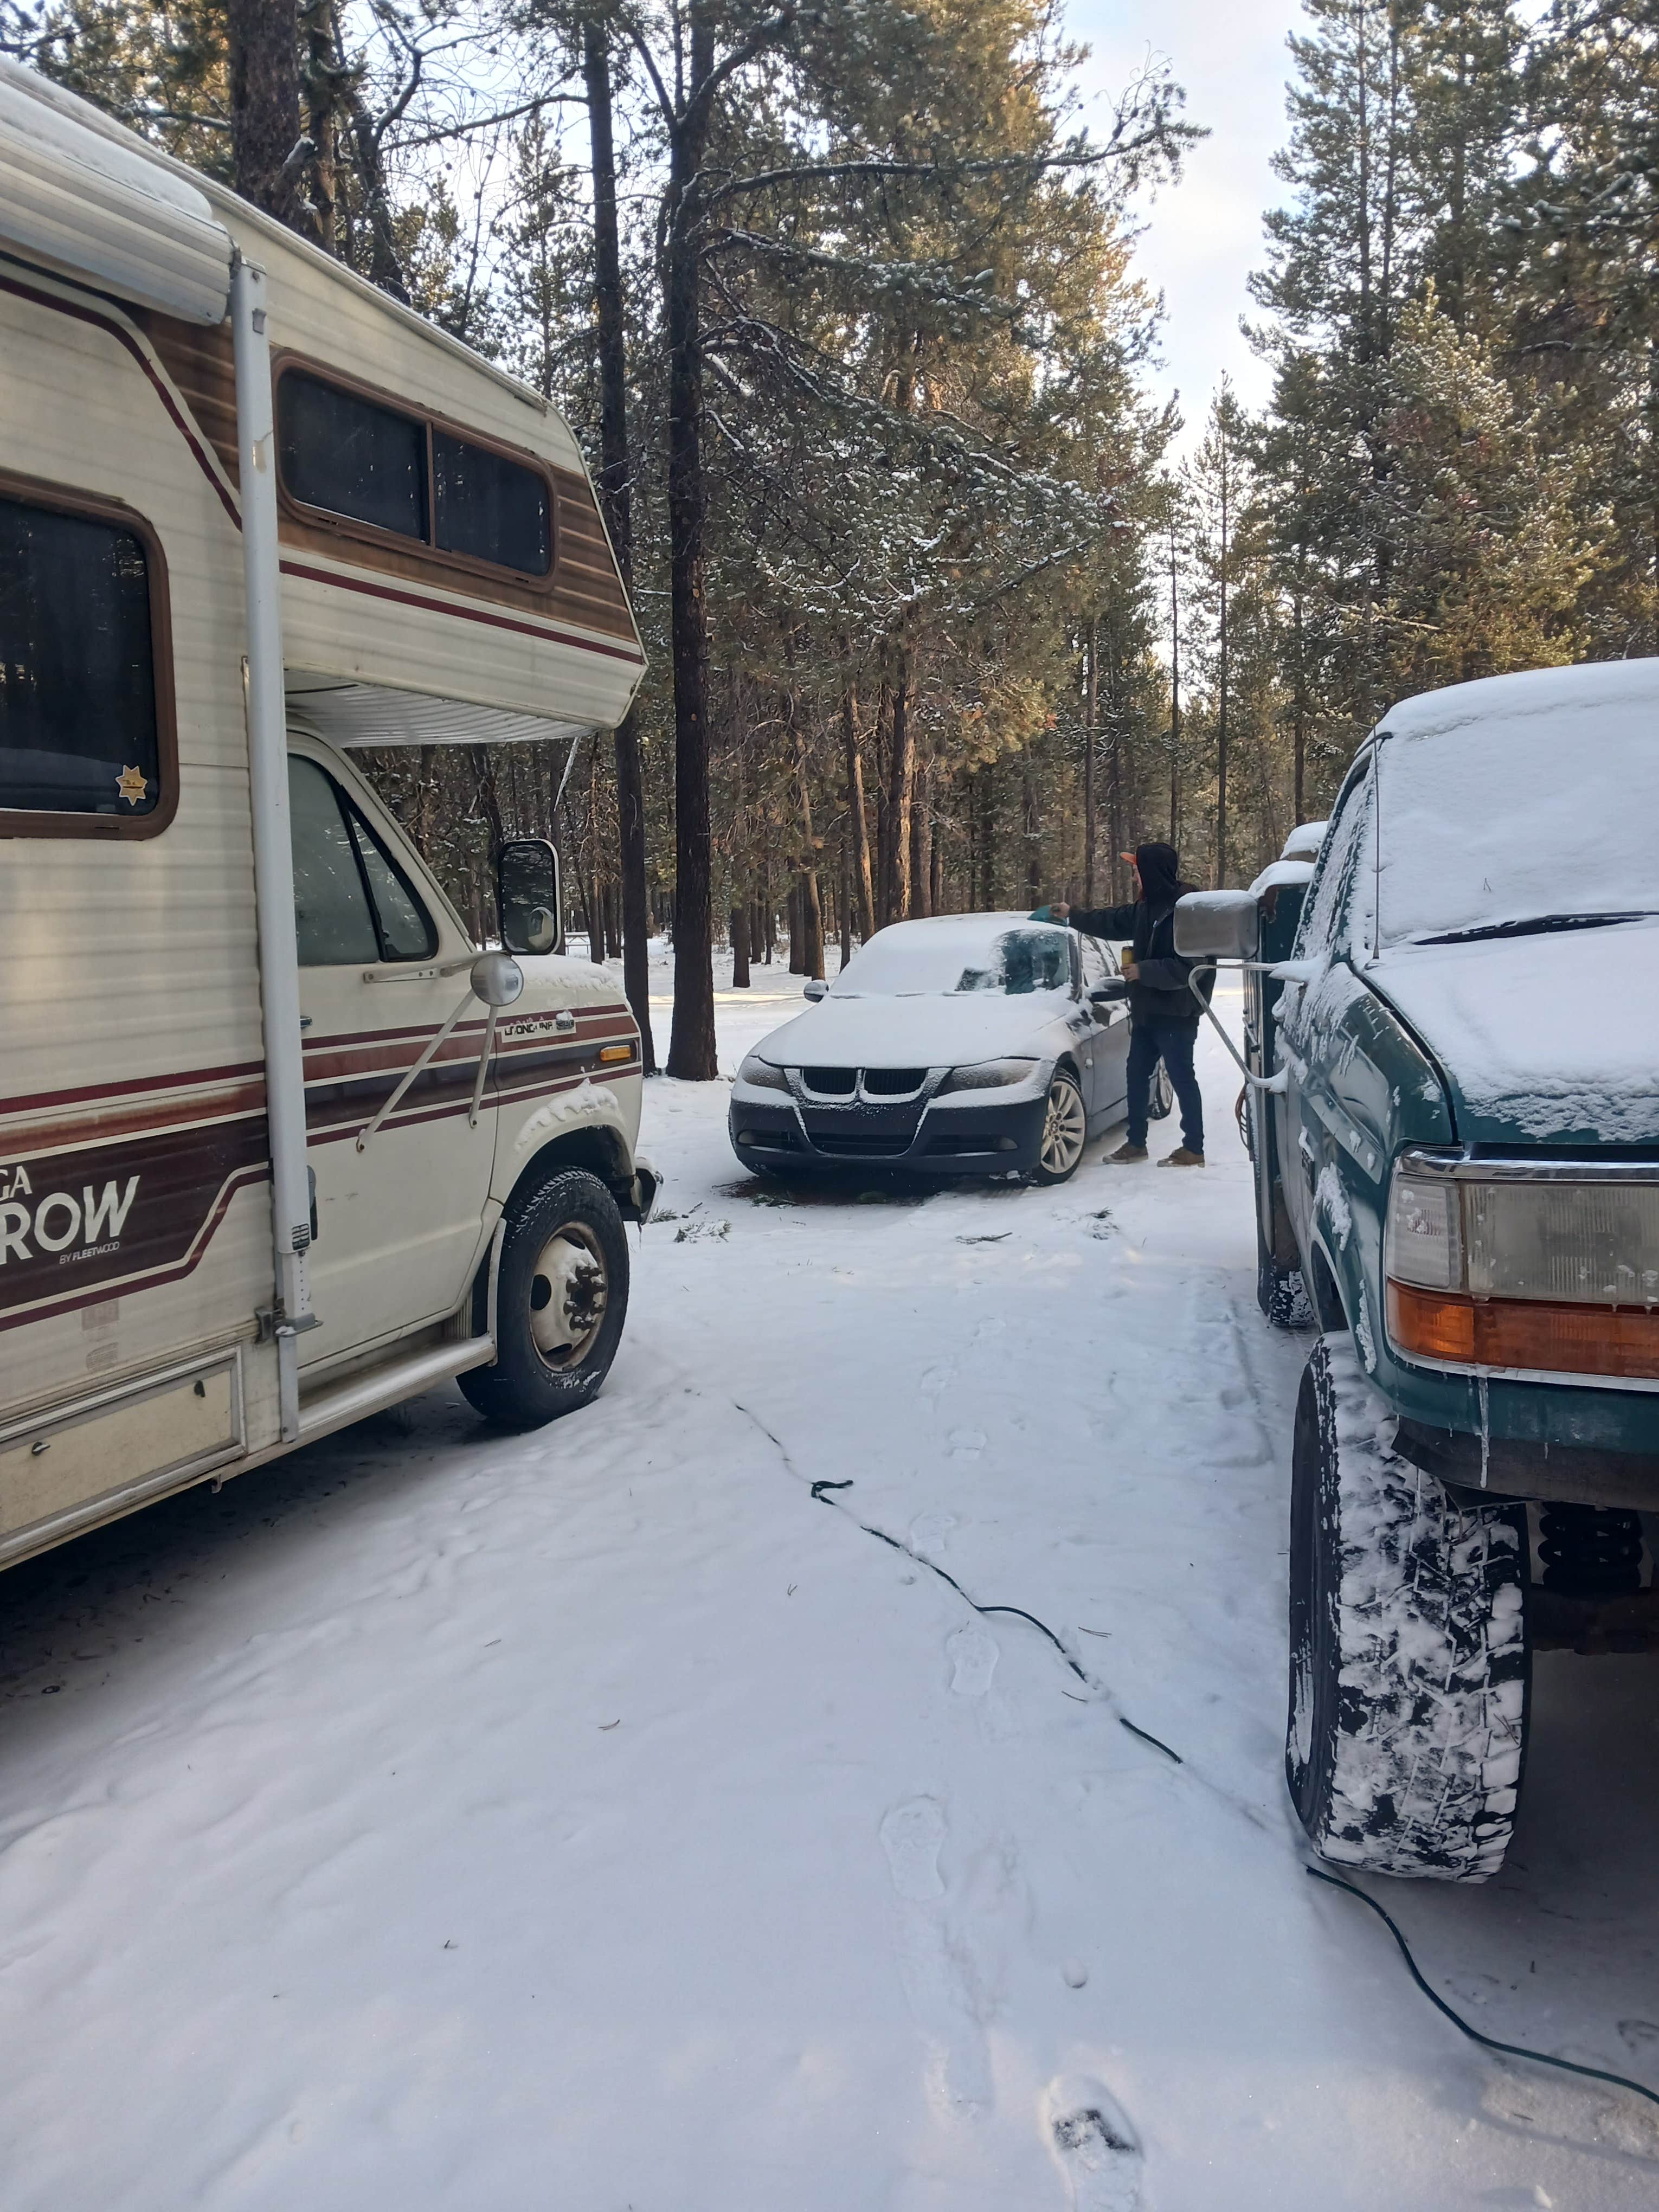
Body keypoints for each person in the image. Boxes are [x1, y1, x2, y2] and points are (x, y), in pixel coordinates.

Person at [1032, 841, 1210, 1165]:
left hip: (1177, 1012)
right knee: (1136, 1075)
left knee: (1182, 1077)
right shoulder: (1144, 907)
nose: (1134, 877)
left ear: (1153, 871)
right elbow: (1110, 921)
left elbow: (1193, 968)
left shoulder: (1186, 910)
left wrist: (1145, 970)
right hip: (1146, 1011)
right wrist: (1072, 915)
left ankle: (1194, 1148)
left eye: (1137, 870)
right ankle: (1136, 1144)